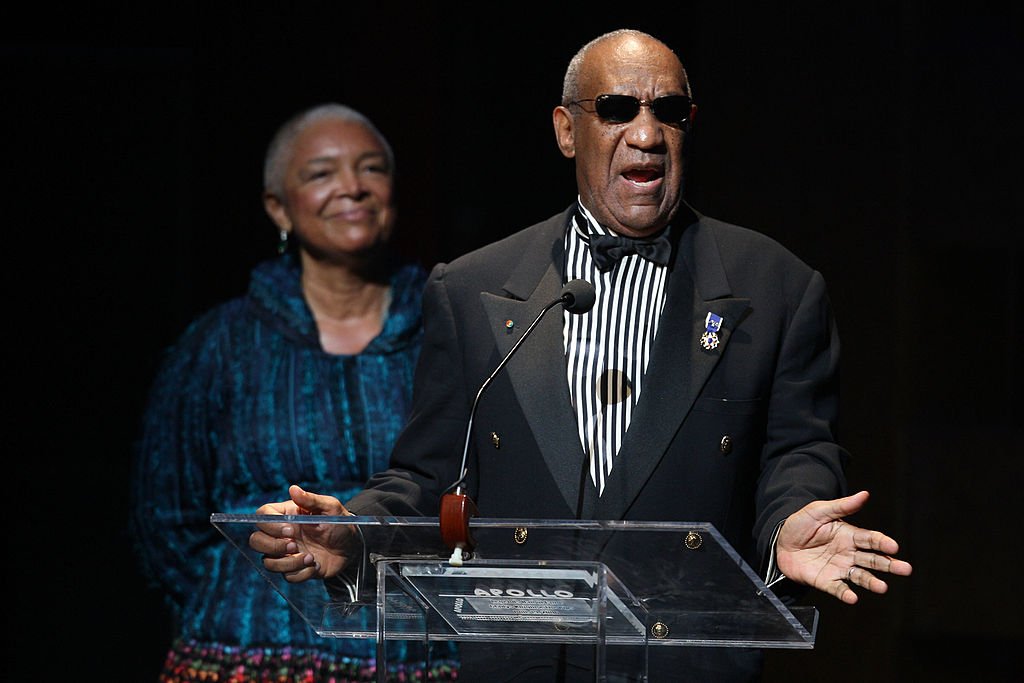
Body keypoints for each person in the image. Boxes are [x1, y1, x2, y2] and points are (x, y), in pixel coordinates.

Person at [248, 30, 913, 682]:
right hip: (526, 658)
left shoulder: (777, 288)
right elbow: (429, 482)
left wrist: (790, 521)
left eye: (669, 112)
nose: (647, 133)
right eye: (619, 109)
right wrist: (357, 531)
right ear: (567, 131)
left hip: (686, 659)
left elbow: (798, 453)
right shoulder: (474, 287)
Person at [129, 103, 458, 682]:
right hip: (240, 657)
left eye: (371, 169)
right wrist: (236, 601)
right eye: (321, 173)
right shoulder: (220, 344)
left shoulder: (450, 330)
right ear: (278, 206)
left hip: (417, 656)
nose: (352, 188)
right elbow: (166, 521)